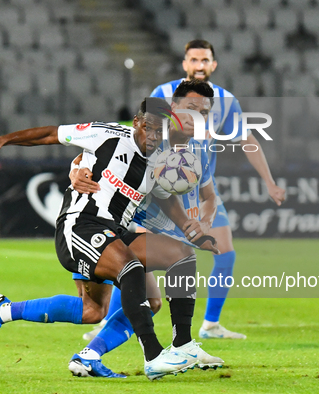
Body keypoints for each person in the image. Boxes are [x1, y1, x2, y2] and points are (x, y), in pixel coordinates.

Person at [0, 97, 221, 381]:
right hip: (79, 226)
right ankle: (154, 356)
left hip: (114, 232)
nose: (153, 136)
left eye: (159, 131)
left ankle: (4, 313)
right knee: (131, 269)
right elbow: (54, 133)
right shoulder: (108, 134)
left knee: (168, 267)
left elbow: (165, 200)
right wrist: (4, 140)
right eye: (148, 128)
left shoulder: (160, 162)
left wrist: (191, 229)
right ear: (136, 122)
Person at [82, 39, 286, 342]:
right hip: (156, 190)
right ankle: (108, 320)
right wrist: (86, 163)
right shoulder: (163, 94)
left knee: (225, 253)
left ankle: (211, 325)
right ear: (185, 63)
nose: (199, 66)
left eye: (205, 60)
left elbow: (247, 138)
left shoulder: (226, 100)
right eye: (194, 60)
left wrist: (269, 181)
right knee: (130, 256)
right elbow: (137, 132)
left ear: (214, 65)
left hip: (203, 189)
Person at [68, 80, 226, 377]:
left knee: (148, 300)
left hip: (143, 233)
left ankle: (94, 355)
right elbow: (85, 156)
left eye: (202, 112)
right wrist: (75, 172)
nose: (196, 116)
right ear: (174, 107)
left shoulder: (198, 149)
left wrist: (201, 224)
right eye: (190, 108)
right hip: (109, 228)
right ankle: (5, 312)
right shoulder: (150, 131)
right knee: (94, 309)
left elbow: (209, 196)